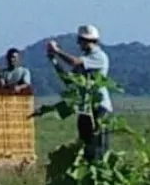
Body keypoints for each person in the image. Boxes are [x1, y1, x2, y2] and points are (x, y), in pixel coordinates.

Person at [47, 25, 111, 161]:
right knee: (85, 147)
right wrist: (53, 60)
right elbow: (70, 80)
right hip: (85, 108)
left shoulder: (99, 57)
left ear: (86, 41)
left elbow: (75, 63)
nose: (78, 44)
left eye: (80, 41)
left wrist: (57, 51)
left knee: (98, 148)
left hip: (98, 106)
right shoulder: (86, 58)